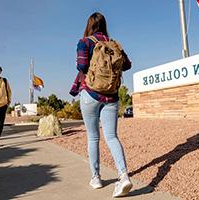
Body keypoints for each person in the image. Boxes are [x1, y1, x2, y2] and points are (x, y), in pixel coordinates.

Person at [75, 12, 132, 197]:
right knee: (112, 136)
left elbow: (82, 66)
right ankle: (123, 176)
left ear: (89, 25)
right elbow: (127, 65)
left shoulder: (85, 42)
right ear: (104, 25)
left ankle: (96, 178)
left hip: (90, 94)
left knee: (93, 138)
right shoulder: (113, 44)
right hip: (111, 96)